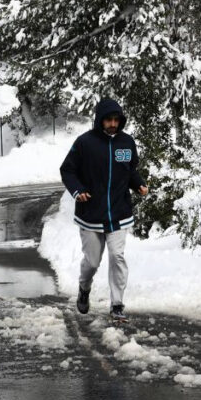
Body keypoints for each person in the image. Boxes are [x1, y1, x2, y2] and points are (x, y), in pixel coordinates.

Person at [60, 98, 148, 321]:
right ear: (100, 120)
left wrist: (138, 184)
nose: (112, 124)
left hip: (119, 212)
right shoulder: (84, 143)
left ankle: (117, 304)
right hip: (91, 214)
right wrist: (77, 190)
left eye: (116, 120)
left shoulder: (127, 143)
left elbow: (128, 170)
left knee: (117, 256)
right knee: (92, 262)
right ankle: (84, 288)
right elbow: (67, 170)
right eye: (108, 120)